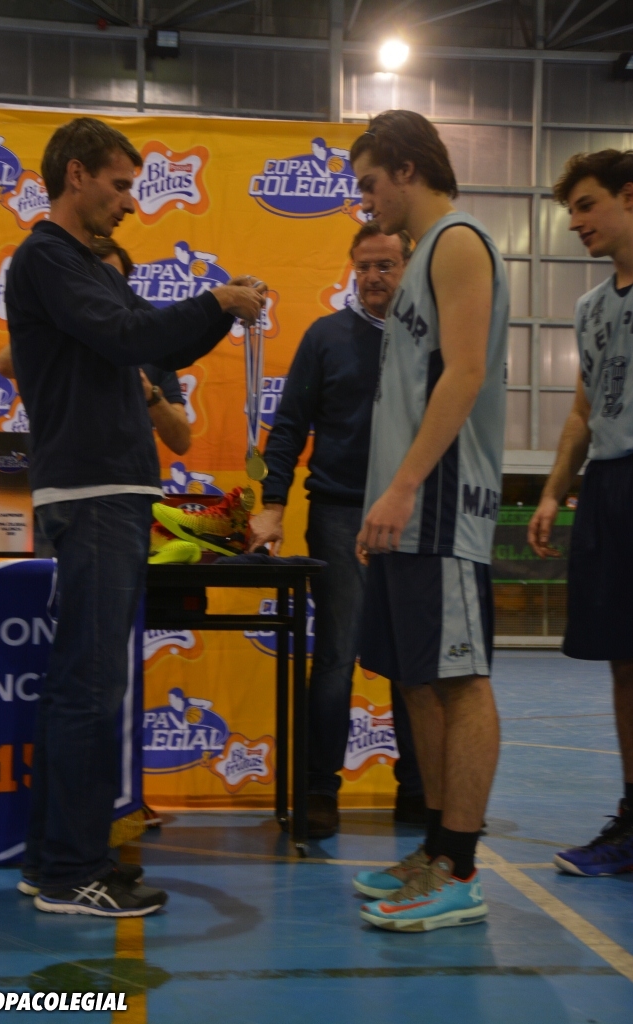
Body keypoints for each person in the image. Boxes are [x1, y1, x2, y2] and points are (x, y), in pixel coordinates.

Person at [5, 116, 264, 917]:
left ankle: (53, 861)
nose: (129, 203)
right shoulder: (48, 257)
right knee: (88, 687)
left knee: (80, 686)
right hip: (92, 494)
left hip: (105, 493)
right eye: (119, 186)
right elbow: (125, 337)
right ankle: (70, 872)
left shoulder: (83, 265)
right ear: (76, 175)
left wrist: (218, 311)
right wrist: (215, 298)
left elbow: (153, 349)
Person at [348, 110, 508, 933]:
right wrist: (381, 497)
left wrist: (406, 485)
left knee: (459, 679)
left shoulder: (458, 241)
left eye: (371, 182)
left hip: (441, 499)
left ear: (406, 169)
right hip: (405, 506)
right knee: (416, 682)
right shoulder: (418, 257)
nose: (365, 200)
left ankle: (461, 868)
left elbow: (466, 372)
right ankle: (435, 847)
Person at [248, 221, 424, 839]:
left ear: (408, 268)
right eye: (364, 266)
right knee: (336, 656)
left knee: (413, 659)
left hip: (413, 514)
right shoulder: (324, 337)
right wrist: (273, 504)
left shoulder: (428, 337)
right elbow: (289, 426)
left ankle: (419, 791)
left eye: (386, 266)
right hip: (339, 514)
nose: (373, 277)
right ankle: (319, 791)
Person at [528, 149, 633, 877]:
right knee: (623, 661)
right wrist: (552, 491)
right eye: (571, 210)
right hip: (609, 485)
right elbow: (581, 410)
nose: (575, 222)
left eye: (587, 205)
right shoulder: (590, 308)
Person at [0, 236, 191, 459]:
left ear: (125, 287)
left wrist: (151, 394)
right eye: (93, 281)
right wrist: (64, 317)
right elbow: (4, 365)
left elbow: (182, 441)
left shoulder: (148, 342)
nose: (103, 290)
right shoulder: (59, 330)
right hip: (64, 467)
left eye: (113, 279)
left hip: (131, 472)